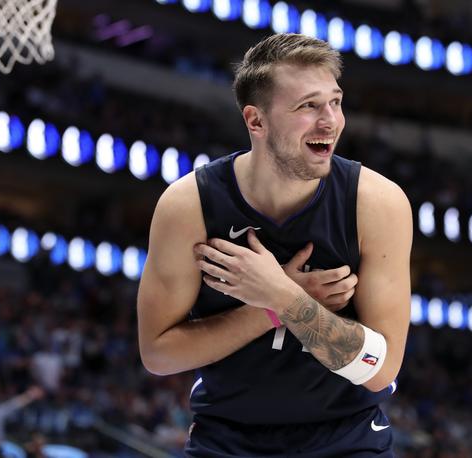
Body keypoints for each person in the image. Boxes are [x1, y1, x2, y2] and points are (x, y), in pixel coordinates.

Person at [137, 33, 412, 457]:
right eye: (308, 106)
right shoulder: (188, 205)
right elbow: (157, 353)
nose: (331, 121)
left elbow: (380, 371)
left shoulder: (377, 203)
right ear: (256, 121)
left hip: (348, 441)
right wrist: (269, 308)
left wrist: (283, 296)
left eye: (335, 102)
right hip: (226, 439)